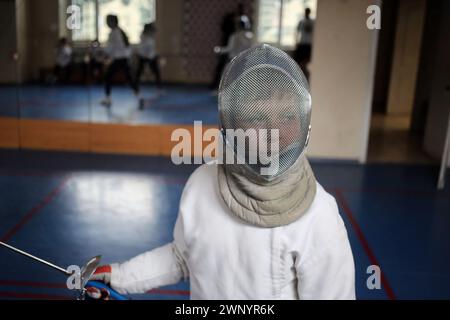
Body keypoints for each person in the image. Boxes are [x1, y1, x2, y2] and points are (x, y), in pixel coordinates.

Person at [87, 45, 355, 300]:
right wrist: (120, 276)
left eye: (287, 117)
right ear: (231, 128)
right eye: (257, 119)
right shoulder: (201, 184)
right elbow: (183, 258)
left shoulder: (319, 215)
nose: (275, 134)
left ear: (303, 122)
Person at [101, 15, 139, 107]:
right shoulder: (120, 31)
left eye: (108, 21)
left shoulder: (114, 33)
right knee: (129, 79)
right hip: (123, 59)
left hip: (119, 59)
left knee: (108, 77)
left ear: (113, 22)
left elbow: (110, 49)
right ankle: (139, 96)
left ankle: (108, 99)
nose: (107, 23)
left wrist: (100, 51)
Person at [134, 23, 162, 95]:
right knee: (139, 73)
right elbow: (142, 49)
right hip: (144, 57)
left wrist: (154, 55)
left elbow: (151, 49)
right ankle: (136, 88)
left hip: (151, 57)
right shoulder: (143, 37)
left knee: (156, 72)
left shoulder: (151, 37)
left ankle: (159, 88)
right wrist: (145, 56)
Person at [294, 8, 314, 79]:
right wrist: (296, 42)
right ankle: (300, 76)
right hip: (302, 43)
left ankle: (305, 77)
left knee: (307, 62)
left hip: (309, 44)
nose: (306, 13)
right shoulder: (301, 21)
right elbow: (297, 32)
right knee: (299, 62)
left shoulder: (313, 22)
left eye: (307, 12)